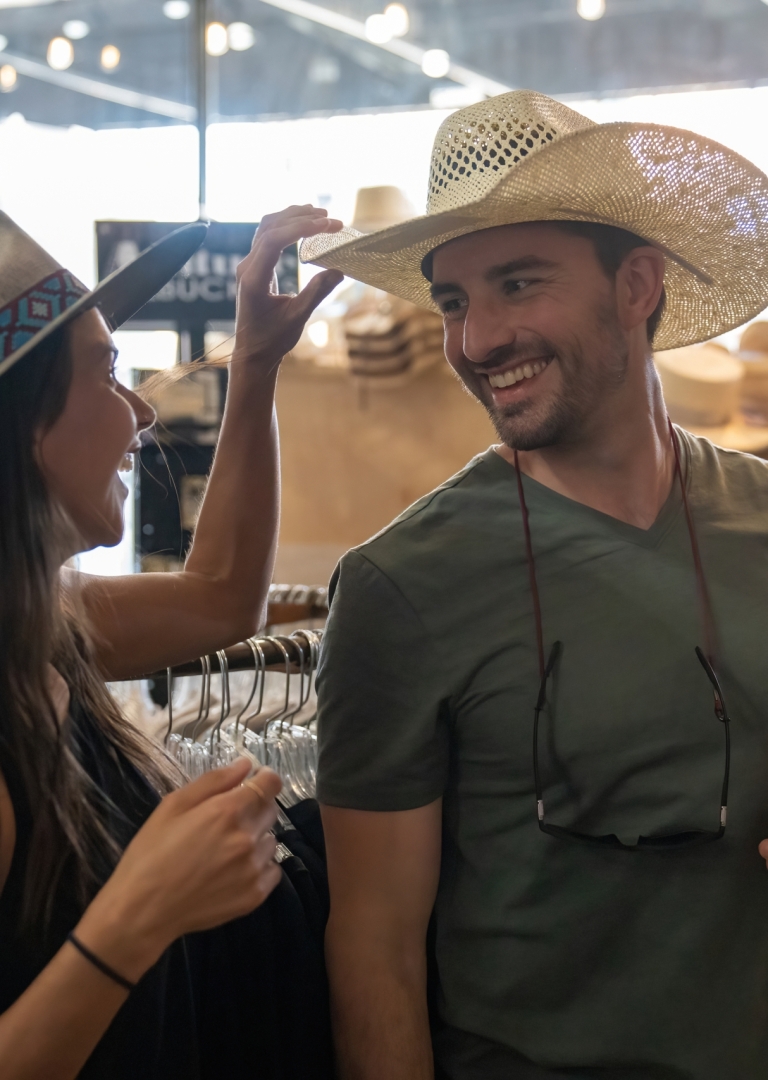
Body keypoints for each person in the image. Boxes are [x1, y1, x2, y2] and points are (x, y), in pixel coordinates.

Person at [301, 91, 768, 1079]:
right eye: (456, 302)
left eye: (518, 284)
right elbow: (374, 950)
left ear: (638, 283)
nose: (477, 341)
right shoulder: (402, 588)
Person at [0, 204, 343, 1079]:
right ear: (26, 426)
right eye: (109, 375)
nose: (142, 411)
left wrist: (257, 364)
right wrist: (140, 912)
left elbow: (220, 597)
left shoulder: (39, 621)